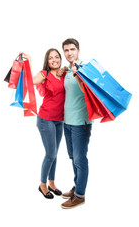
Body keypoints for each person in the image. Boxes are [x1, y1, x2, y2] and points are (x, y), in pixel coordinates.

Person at [21, 49, 67, 199]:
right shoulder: (44, 74)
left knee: (55, 154)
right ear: (47, 61)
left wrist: (66, 68)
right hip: (45, 119)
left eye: (57, 57)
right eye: (51, 58)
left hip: (59, 120)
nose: (54, 60)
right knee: (50, 154)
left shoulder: (63, 73)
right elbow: (28, 83)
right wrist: (29, 62)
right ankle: (42, 185)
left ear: (60, 59)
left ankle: (52, 183)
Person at [61, 38, 92, 209]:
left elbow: (86, 91)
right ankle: (77, 187)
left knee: (80, 159)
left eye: (72, 49)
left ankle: (80, 195)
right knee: (73, 157)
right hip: (68, 121)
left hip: (81, 122)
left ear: (78, 50)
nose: (69, 53)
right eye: (66, 50)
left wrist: (75, 73)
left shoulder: (84, 68)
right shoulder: (66, 70)